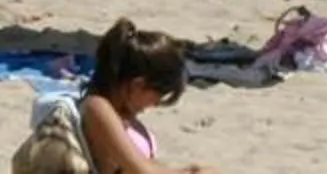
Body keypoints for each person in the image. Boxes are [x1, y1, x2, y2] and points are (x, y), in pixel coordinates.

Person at [76, 20, 220, 174]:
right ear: (138, 85)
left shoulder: (121, 113)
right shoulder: (98, 108)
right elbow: (141, 171)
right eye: (159, 94)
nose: (157, 103)